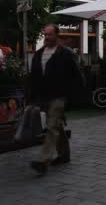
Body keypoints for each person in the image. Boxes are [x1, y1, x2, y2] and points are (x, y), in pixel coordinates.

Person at [29, 24, 83, 175]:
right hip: (44, 96)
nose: (47, 37)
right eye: (45, 35)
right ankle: (64, 155)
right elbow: (34, 77)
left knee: (51, 125)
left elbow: (77, 76)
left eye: (50, 35)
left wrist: (76, 96)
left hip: (60, 95)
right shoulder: (38, 54)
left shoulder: (65, 53)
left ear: (57, 35)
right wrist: (33, 97)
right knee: (56, 125)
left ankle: (43, 161)